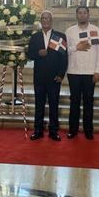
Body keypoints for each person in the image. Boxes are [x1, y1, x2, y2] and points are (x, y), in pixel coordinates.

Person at [65, 6, 99, 140]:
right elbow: (64, 50)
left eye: (84, 13)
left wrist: (98, 71)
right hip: (74, 71)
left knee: (88, 102)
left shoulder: (96, 30)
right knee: (74, 102)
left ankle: (88, 130)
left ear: (88, 15)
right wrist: (76, 47)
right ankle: (73, 130)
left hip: (90, 72)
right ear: (76, 15)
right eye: (80, 13)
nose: (82, 15)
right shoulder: (70, 31)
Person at [27, 11, 68, 141]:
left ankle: (53, 131)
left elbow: (64, 57)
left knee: (54, 105)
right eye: (43, 18)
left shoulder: (59, 36)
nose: (46, 20)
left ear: (52, 20)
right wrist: (38, 53)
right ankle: (38, 130)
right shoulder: (35, 37)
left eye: (48, 18)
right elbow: (30, 54)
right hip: (39, 77)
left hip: (54, 78)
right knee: (39, 105)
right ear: (41, 20)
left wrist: (61, 74)